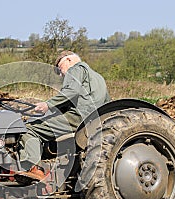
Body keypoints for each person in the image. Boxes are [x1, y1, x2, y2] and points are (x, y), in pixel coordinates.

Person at [17, 50, 111, 181]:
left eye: (60, 69)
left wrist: (48, 105)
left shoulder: (76, 69)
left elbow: (71, 91)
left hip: (77, 117)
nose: (61, 75)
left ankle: (32, 168)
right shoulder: (98, 77)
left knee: (28, 129)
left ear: (68, 60)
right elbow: (107, 102)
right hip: (93, 120)